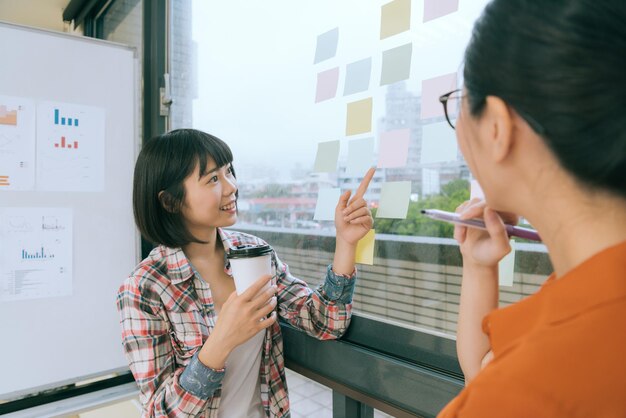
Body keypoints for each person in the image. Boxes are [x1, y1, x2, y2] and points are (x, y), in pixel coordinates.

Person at [436, 0, 626, 416]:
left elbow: (500, 390)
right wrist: (479, 266)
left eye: (461, 103)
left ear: (498, 128)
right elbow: (489, 372)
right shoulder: (598, 294)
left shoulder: (530, 389)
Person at [117, 128, 375, 418]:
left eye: (229, 172)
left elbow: (325, 322)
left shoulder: (254, 252)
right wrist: (222, 339)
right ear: (170, 201)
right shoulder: (144, 289)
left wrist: (345, 243)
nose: (231, 187)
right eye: (213, 178)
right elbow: (157, 413)